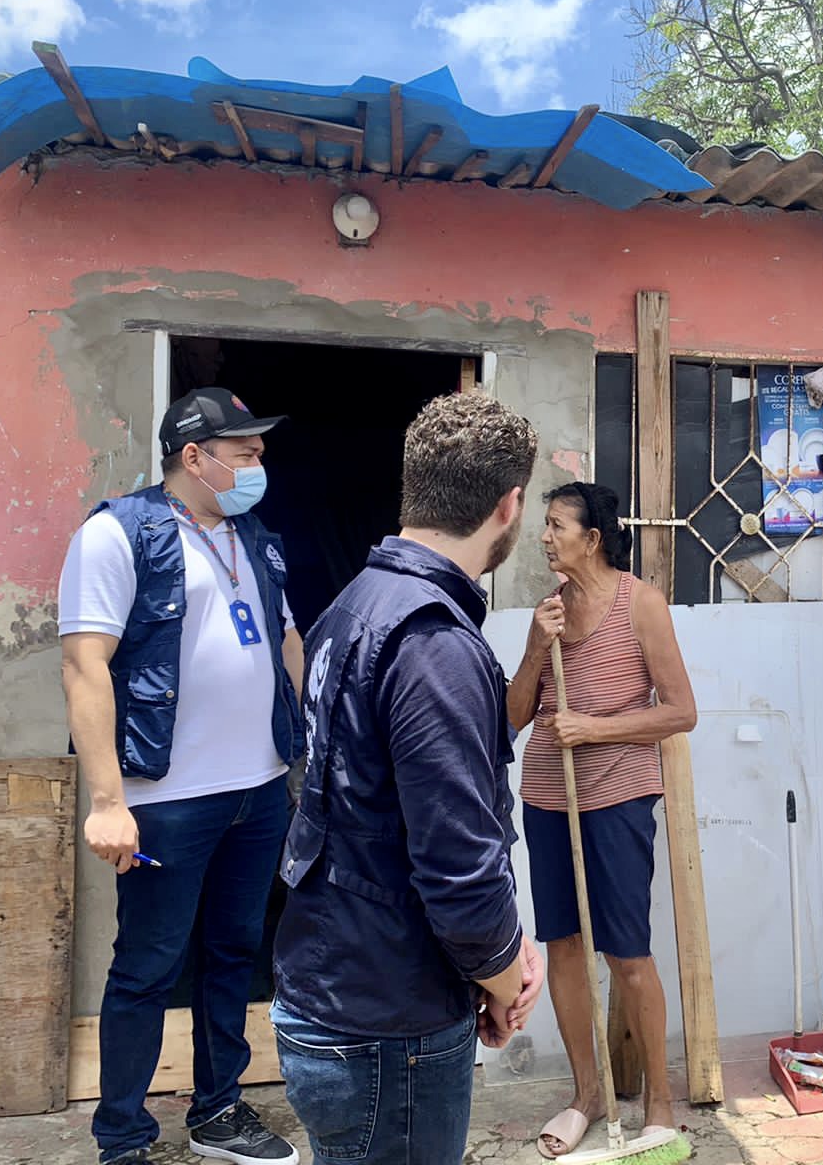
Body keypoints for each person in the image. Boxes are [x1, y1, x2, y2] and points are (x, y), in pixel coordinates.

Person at [270, 390, 547, 1165]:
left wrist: (479, 974)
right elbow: (458, 868)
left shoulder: (353, 609)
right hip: (387, 1027)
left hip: (346, 990)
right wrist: (501, 975)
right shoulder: (432, 644)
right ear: (510, 504)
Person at [58, 387, 305, 1165]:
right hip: (166, 800)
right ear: (193, 457)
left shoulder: (254, 536)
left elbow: (285, 636)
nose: (259, 462)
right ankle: (124, 1137)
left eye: (260, 450)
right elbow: (83, 665)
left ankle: (219, 1112)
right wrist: (108, 801)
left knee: (236, 952)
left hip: (258, 790)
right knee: (148, 964)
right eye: (245, 451)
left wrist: (304, 744)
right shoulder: (116, 535)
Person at [507, 481, 699, 1159]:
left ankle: (660, 1104)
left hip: (617, 797)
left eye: (557, 525)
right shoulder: (549, 610)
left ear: (592, 537)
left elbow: (681, 711)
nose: (544, 536)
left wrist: (592, 727)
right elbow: (514, 716)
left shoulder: (640, 604)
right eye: (545, 524)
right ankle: (587, 1093)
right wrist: (535, 646)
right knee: (562, 946)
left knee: (627, 952)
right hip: (549, 798)